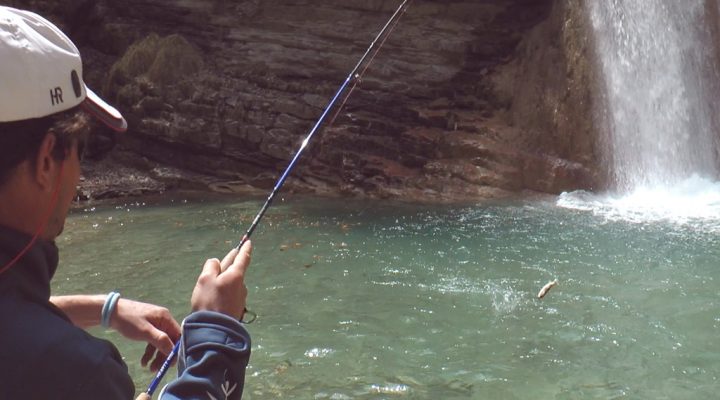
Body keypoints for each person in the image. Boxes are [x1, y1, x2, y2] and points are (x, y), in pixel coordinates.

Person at [0, 6, 251, 399]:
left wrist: (105, 309)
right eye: (81, 150)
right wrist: (215, 335)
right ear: (48, 159)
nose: (79, 174)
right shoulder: (77, 373)